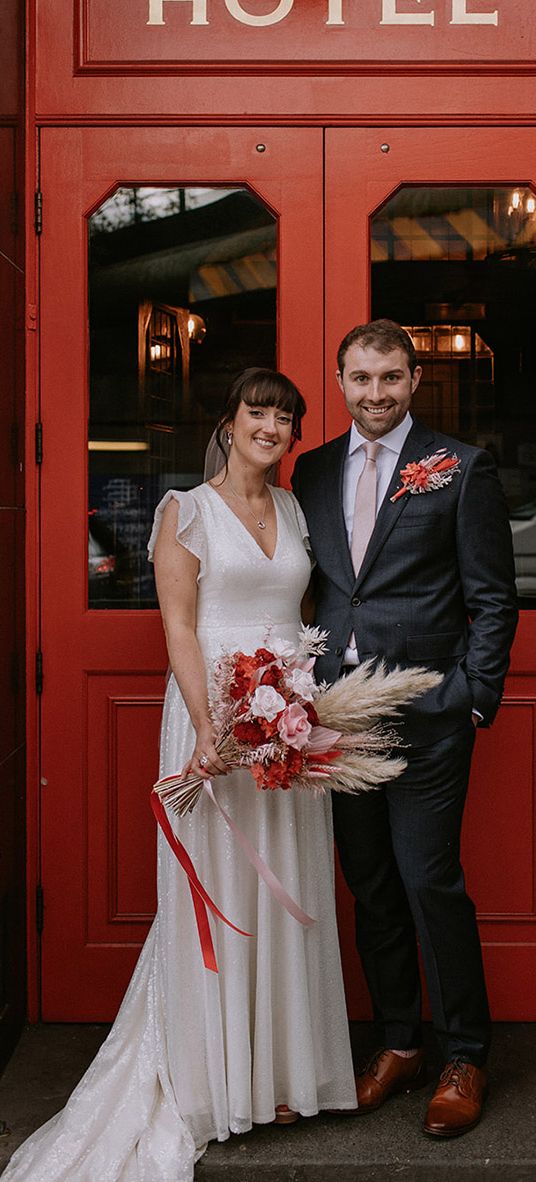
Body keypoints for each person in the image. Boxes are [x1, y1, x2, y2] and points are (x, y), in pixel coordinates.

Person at [3, 369, 357, 1182]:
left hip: (287, 724)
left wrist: (297, 708)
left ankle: (278, 1079)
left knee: (287, 892)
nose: (271, 426)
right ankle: (215, 1081)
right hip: (213, 719)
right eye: (257, 412)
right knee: (226, 890)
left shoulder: (298, 509)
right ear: (228, 424)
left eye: (285, 417)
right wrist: (208, 729)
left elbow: (302, 619)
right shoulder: (184, 511)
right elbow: (181, 626)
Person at [292, 319, 518, 1139]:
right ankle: (399, 1042)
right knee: (372, 885)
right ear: (342, 381)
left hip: (427, 714)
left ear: (414, 380)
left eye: (390, 378)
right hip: (333, 720)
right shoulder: (311, 470)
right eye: (360, 379)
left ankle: (465, 1052)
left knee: (428, 880)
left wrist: (473, 696)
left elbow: (493, 598)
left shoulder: (459, 467)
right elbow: (318, 587)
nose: (375, 394)